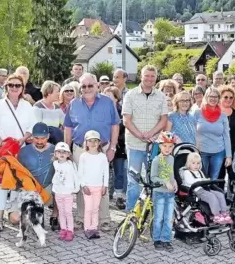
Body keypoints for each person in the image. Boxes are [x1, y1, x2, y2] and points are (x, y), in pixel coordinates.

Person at [64, 73, 119, 231]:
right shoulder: (73, 104)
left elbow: (115, 125)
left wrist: (113, 147)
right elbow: (68, 127)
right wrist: (67, 150)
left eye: (90, 85)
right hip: (80, 149)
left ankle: (104, 219)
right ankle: (81, 218)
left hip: (102, 149)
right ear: (80, 88)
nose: (87, 89)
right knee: (82, 183)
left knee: (101, 182)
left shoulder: (108, 102)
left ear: (96, 85)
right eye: (83, 86)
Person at [0, 74, 35, 232]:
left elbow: (31, 127)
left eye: (18, 85)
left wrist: (23, 139)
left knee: (18, 183)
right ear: (6, 87)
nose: (14, 88)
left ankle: (14, 211)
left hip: (21, 150)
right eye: (11, 85)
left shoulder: (27, 106)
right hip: (4, 150)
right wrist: (1, 142)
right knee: (2, 184)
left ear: (22, 88)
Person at [122, 65, 168, 212]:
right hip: (134, 144)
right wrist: (140, 134)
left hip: (153, 145)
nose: (149, 79)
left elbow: (163, 120)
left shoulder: (161, 96)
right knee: (133, 180)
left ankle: (149, 213)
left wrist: (152, 134)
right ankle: (131, 213)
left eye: (152, 76)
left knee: (152, 180)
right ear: (141, 77)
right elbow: (126, 120)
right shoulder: (130, 95)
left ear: (156, 78)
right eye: (146, 76)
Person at [17, 123, 58, 228]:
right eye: (36, 138)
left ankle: (55, 215)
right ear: (32, 137)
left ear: (48, 136)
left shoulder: (56, 151)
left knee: (60, 188)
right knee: (14, 219)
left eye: (43, 138)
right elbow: (18, 174)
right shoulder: (23, 152)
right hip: (30, 189)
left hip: (48, 188)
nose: (39, 141)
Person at [181, 152, 232, 224]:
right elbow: (190, 181)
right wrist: (202, 180)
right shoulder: (186, 172)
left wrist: (207, 180)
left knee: (220, 195)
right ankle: (216, 215)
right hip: (197, 191)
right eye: (194, 163)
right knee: (212, 197)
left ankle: (224, 213)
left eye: (198, 163)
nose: (196, 165)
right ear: (189, 163)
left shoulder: (200, 172)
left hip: (206, 189)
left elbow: (205, 179)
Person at [194, 87, 232, 180]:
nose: (213, 99)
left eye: (216, 97)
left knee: (213, 179)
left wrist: (229, 156)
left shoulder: (223, 116)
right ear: (206, 97)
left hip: (218, 152)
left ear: (219, 99)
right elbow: (193, 132)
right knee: (202, 178)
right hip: (201, 151)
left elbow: (226, 136)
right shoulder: (197, 113)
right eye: (211, 96)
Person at [78, 130, 109, 239]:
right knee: (88, 208)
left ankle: (94, 228)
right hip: (88, 187)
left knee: (95, 209)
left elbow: (106, 172)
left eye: (95, 141)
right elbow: (80, 173)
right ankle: (87, 228)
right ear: (86, 142)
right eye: (90, 141)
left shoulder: (102, 157)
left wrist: (105, 186)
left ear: (99, 142)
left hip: (98, 187)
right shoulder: (83, 156)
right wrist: (83, 185)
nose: (93, 143)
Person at [150, 131, 178, 251]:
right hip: (160, 192)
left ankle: (166, 239)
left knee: (169, 218)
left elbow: (171, 173)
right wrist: (164, 182)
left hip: (170, 193)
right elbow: (153, 177)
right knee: (159, 218)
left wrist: (174, 181)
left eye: (170, 146)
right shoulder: (157, 160)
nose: (167, 149)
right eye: (165, 146)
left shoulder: (171, 159)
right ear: (160, 146)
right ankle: (157, 240)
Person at [52, 142, 79, 242]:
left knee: (68, 212)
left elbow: (75, 177)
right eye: (59, 152)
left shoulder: (71, 165)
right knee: (61, 212)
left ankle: (70, 230)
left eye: (64, 152)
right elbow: (55, 177)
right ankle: (63, 229)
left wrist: (76, 188)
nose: (62, 154)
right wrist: (54, 189)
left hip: (68, 193)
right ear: (55, 154)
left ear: (68, 154)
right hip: (59, 192)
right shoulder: (55, 164)